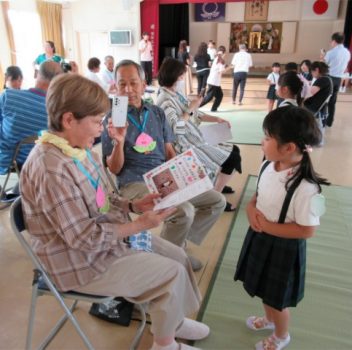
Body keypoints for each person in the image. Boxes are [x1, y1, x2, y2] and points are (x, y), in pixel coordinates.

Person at [20, 73, 209, 350]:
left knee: (178, 256)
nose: (100, 130)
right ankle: (165, 343)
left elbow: (105, 197)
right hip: (78, 262)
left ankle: (173, 322)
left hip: (101, 244)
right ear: (69, 120)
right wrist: (139, 225)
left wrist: (134, 206)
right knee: (171, 273)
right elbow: (82, 239)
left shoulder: (76, 149)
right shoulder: (51, 167)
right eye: (96, 122)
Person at [104, 59, 226, 271]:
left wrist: (184, 174)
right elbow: (114, 169)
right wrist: (120, 141)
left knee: (216, 200)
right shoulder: (113, 117)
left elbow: (169, 151)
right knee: (184, 211)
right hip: (133, 182)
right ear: (115, 87)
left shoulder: (156, 112)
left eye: (134, 83)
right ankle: (168, 261)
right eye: (122, 84)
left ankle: (177, 244)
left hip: (163, 176)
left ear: (144, 85)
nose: (129, 89)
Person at [235, 106, 329, 350]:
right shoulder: (269, 164)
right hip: (260, 238)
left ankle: (281, 335)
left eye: (267, 138)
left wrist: (265, 225)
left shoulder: (307, 188)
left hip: (284, 250)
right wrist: (250, 208)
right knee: (263, 289)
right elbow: (258, 194)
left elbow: (307, 231)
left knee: (278, 300)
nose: (262, 142)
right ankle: (268, 320)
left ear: (288, 148)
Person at [156, 58, 242, 212]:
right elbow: (176, 129)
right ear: (174, 77)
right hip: (183, 144)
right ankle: (216, 196)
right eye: (182, 76)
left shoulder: (175, 93)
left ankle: (218, 183)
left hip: (193, 137)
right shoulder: (164, 100)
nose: (183, 79)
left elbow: (195, 113)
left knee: (234, 150)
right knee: (233, 158)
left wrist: (215, 119)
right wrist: (190, 108)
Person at [0, 61, 63, 175]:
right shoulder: (56, 110)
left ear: (37, 74)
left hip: (8, 161)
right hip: (41, 162)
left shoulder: (9, 96)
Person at [322, 32, 351, 127]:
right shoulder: (347, 52)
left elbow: (324, 65)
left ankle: (322, 119)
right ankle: (330, 122)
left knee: (323, 99)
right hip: (338, 79)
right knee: (332, 101)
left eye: (331, 41)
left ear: (334, 41)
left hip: (329, 78)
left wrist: (323, 55)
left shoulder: (331, 52)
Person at [304, 61, 333, 145]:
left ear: (316, 70)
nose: (311, 74)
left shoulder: (322, 79)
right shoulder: (327, 78)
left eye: (312, 71)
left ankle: (312, 140)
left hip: (314, 107)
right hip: (320, 107)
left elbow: (310, 93)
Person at [199, 46, 228, 112]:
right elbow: (221, 72)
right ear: (224, 53)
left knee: (220, 95)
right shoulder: (221, 60)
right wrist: (230, 67)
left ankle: (214, 109)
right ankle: (195, 107)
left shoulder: (217, 58)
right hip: (213, 82)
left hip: (214, 82)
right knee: (208, 98)